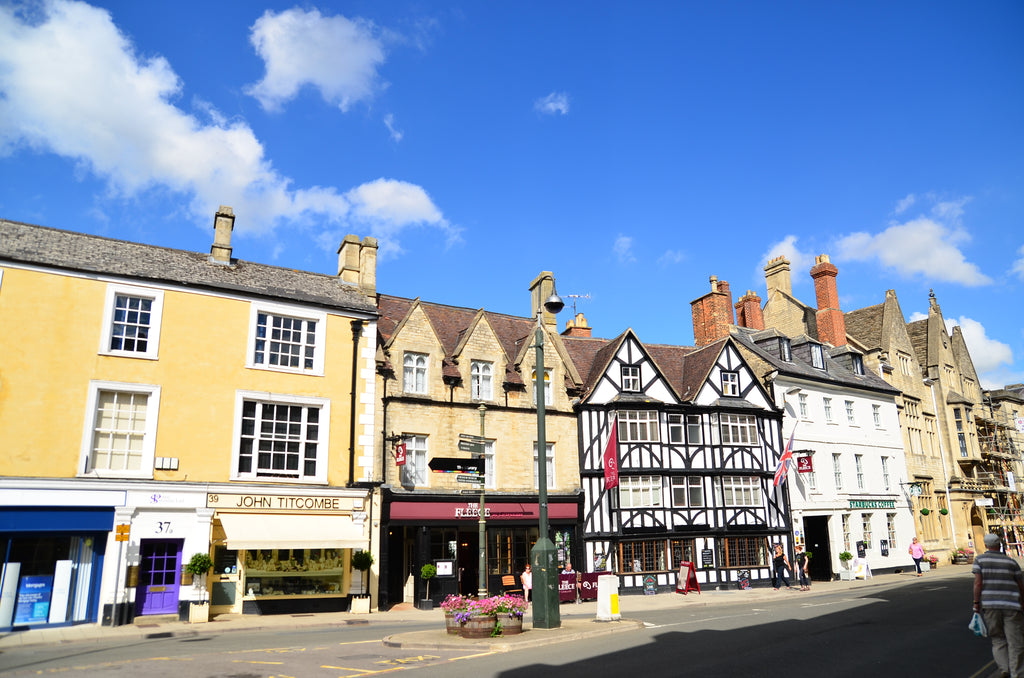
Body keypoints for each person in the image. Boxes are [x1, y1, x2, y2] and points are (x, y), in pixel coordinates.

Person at [973, 533, 1024, 678]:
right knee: (1015, 641)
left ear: (986, 545)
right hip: (1012, 605)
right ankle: (1017, 673)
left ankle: (1004, 668)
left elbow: (978, 583)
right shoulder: (1011, 562)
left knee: (997, 639)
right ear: (999, 544)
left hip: (990, 605)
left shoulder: (979, 560)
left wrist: (976, 603)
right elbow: (1020, 585)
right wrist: (1022, 602)